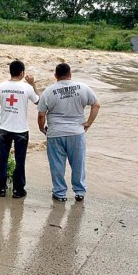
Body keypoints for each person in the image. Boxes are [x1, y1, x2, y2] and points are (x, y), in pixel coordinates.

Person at [37, 63, 100, 202]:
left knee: (57, 164)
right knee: (78, 163)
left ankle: (60, 194)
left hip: (55, 133)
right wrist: (88, 123)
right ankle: (79, 192)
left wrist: (42, 129)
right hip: (76, 132)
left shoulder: (48, 91)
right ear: (70, 74)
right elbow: (96, 104)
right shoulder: (83, 87)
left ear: (55, 76)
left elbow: (41, 115)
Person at [0, 60, 39, 198]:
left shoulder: (1, 86)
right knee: (20, 160)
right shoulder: (27, 88)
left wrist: (3, 114)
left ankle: (0, 189)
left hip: (4, 128)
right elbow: (38, 101)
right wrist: (33, 84)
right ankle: (18, 190)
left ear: (10, 72)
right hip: (21, 130)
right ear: (22, 73)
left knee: (3, 159)